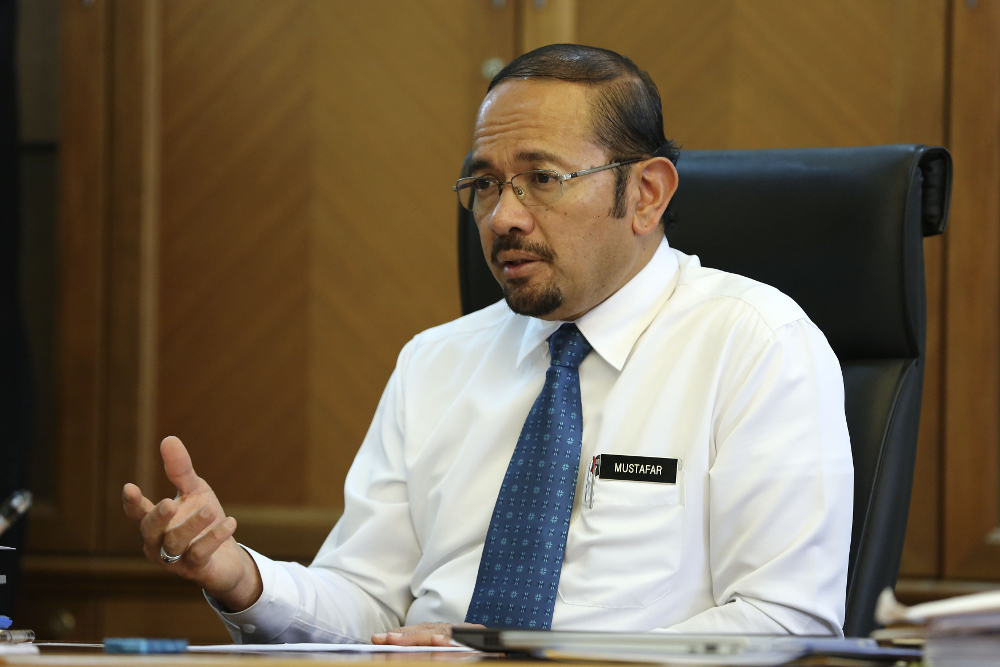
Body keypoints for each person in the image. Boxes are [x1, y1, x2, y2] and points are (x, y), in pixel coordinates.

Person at [122, 44, 853, 645]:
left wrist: (522, 656)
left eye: (541, 179)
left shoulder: (757, 345)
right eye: (483, 184)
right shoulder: (436, 361)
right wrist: (241, 574)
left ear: (648, 193)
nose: (503, 216)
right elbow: (368, 603)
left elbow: (782, 622)